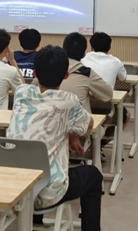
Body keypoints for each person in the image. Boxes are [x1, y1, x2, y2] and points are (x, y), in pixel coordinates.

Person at [7, 46, 102, 231]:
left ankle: (34, 221)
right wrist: (71, 130)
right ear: (66, 76)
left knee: (34, 156)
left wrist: (69, 132)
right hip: (46, 193)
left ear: (35, 74)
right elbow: (89, 123)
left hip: (13, 187)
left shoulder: (21, 93)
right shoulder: (69, 100)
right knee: (93, 175)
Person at [61, 32, 113, 113]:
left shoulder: (52, 69)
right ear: (84, 54)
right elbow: (108, 95)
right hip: (80, 119)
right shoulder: (86, 73)